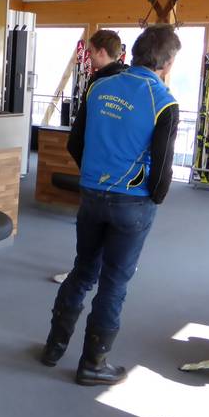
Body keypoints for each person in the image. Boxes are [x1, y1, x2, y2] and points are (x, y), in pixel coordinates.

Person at [40, 23, 181, 386]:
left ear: (133, 52)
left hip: (91, 196)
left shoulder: (99, 86)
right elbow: (162, 170)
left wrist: (94, 176)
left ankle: (53, 348)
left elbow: (75, 143)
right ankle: (93, 364)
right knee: (113, 283)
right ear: (167, 62)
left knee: (82, 271)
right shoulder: (164, 101)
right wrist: (153, 200)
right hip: (132, 204)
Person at [52, 29, 127, 284]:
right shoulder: (130, 82)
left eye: (92, 52)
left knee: (92, 229)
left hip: (97, 172)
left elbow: (78, 137)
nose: (90, 56)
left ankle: (85, 272)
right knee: (111, 225)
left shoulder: (99, 84)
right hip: (119, 170)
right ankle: (111, 265)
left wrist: (86, 166)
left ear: (102, 52)